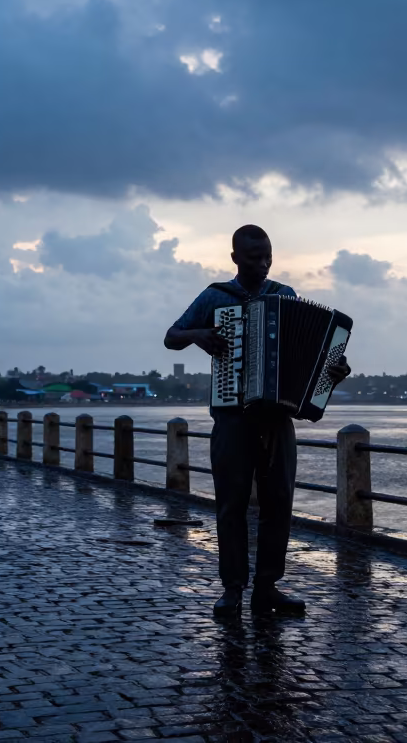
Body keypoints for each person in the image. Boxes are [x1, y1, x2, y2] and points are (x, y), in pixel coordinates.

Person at [165, 225, 350, 617]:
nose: (263, 264)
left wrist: (330, 371)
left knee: (279, 503)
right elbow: (171, 336)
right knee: (231, 505)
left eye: (268, 256)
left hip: (279, 418)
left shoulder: (283, 295)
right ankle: (232, 588)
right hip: (232, 417)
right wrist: (200, 334)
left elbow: (308, 356)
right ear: (235, 258)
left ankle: (267, 586)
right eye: (254, 258)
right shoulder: (217, 295)